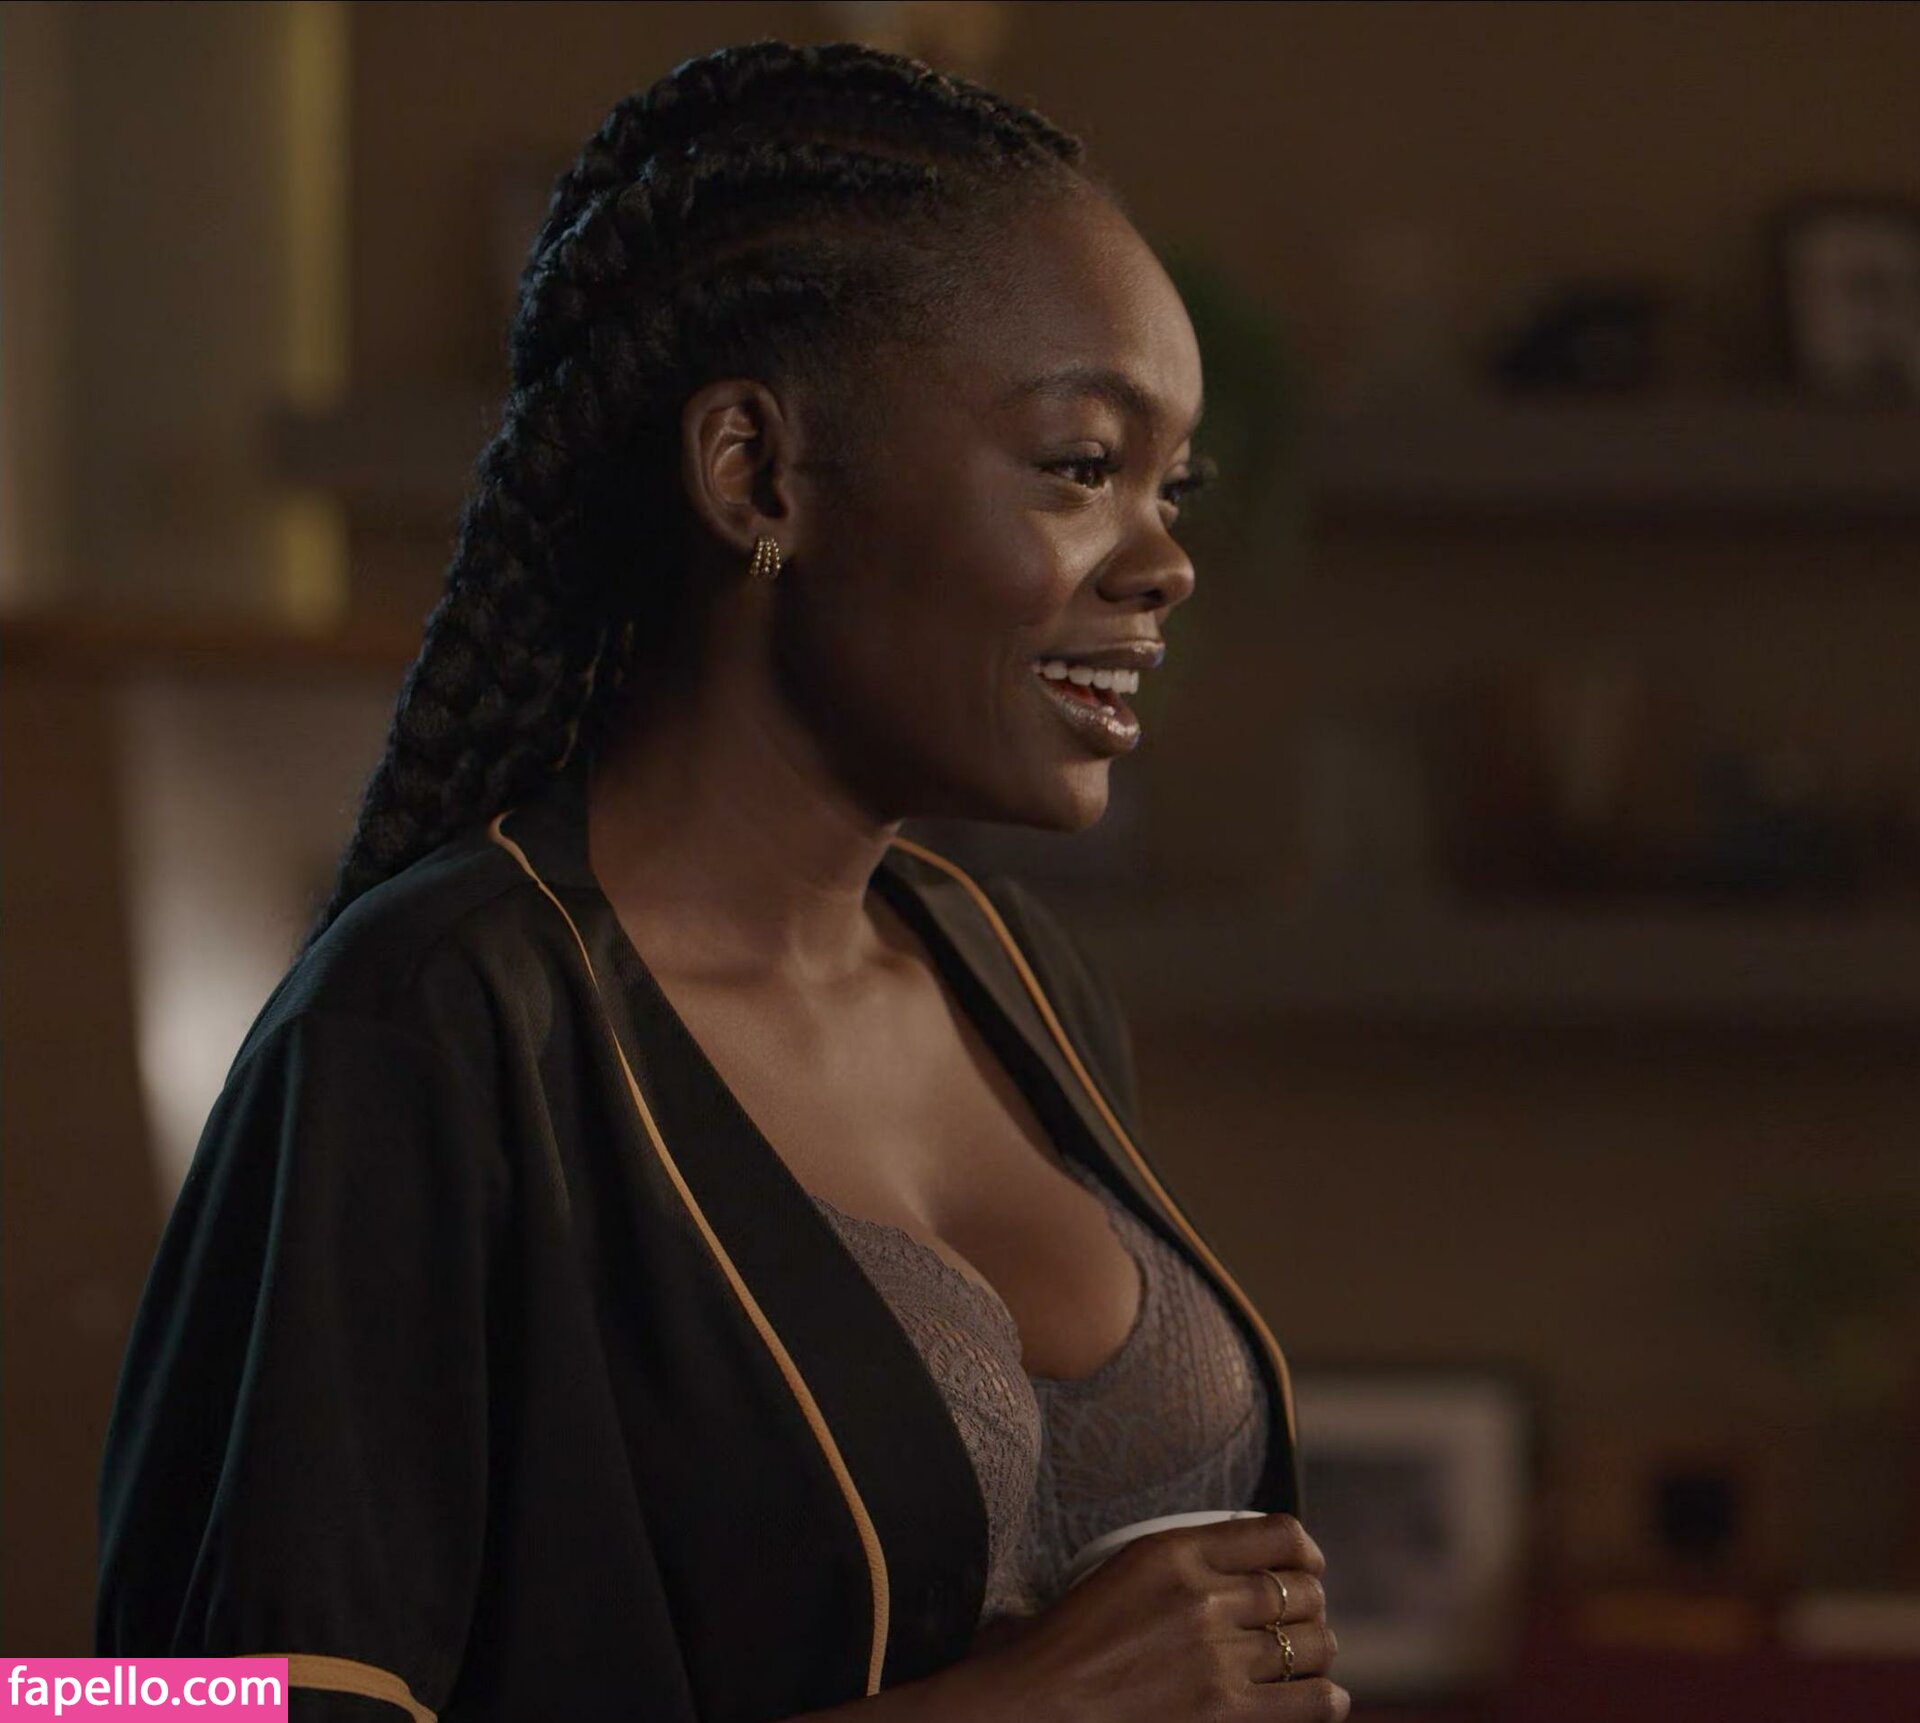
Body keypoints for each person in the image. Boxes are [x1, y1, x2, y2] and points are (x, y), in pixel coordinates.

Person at [95, 38, 1345, 1723]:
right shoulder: (429, 1021)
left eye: (1169, 487)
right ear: (756, 470)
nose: (1166, 559)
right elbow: (141, 1703)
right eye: (1078, 465)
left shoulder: (1011, 971)